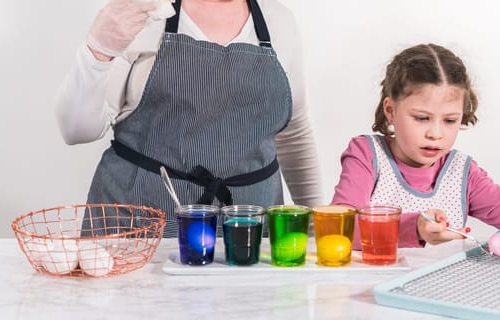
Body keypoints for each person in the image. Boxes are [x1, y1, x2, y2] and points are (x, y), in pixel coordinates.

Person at [54, 0, 322, 236]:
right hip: (139, 228)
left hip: (249, 230)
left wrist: (317, 227)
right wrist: (97, 52)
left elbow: (293, 133)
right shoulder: (144, 12)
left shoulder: (278, 21)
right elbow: (77, 130)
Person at [331, 43, 500, 253]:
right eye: (422, 118)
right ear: (390, 110)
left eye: (450, 121)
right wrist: (416, 228)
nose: (436, 134)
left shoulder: (463, 173)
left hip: (445, 291)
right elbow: (339, 229)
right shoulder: (366, 155)